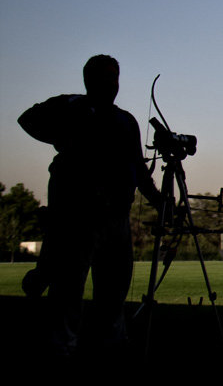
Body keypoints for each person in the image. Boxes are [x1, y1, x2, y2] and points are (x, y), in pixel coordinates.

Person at [19, 55, 161, 359]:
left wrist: (159, 201)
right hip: (78, 220)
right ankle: (62, 347)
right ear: (89, 81)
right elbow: (28, 119)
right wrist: (67, 137)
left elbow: (137, 168)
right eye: (104, 77)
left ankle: (110, 346)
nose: (111, 84)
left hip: (117, 219)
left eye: (114, 78)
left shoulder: (126, 121)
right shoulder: (72, 107)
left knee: (114, 291)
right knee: (68, 289)